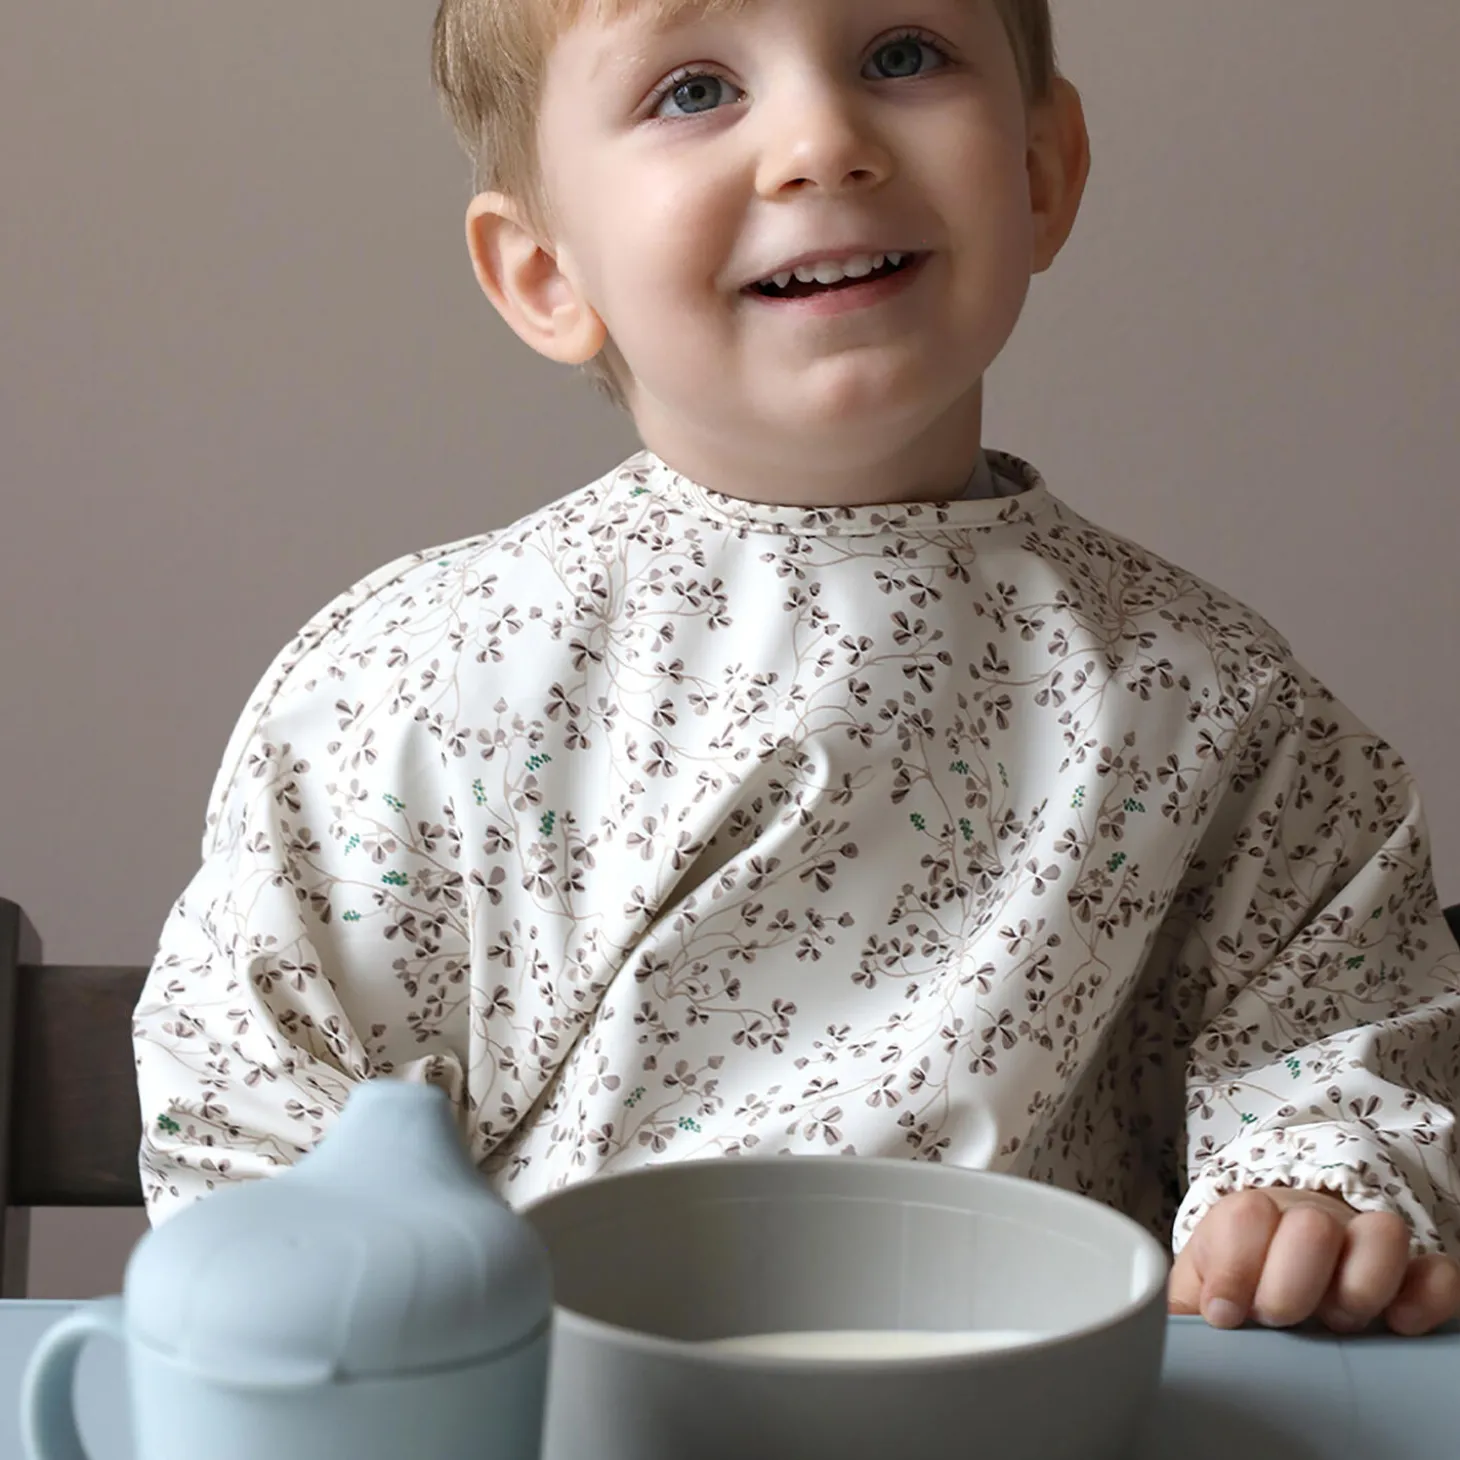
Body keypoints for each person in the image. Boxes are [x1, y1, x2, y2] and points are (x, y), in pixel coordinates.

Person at [135, 0, 1460, 1337]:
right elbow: (262, 1106)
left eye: (902, 55)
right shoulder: (421, 685)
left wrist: (1309, 1196)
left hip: (1033, 1416)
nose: (823, 142)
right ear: (546, 272)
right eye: (694, 91)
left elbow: (1329, 1034)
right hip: (577, 1410)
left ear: (1041, 173)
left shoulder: (1218, 706)